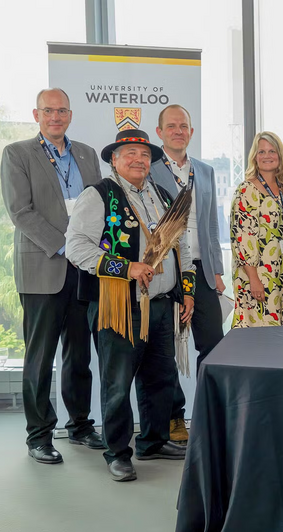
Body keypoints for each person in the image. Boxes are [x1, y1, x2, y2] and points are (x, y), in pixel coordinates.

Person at [66, 130, 194, 481]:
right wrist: (127, 268)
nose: (138, 159)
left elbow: (183, 248)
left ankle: (153, 441)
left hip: (161, 304)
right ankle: (117, 452)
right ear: (114, 160)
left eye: (142, 153)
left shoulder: (164, 196)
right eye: (129, 153)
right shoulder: (99, 195)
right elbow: (77, 247)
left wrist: (187, 292)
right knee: (117, 383)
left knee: (160, 378)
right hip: (118, 305)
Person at [0, 88, 104, 464]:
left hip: (83, 271)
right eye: (48, 111)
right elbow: (20, 212)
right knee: (40, 356)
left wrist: (93, 249)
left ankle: (80, 426)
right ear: (37, 114)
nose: (55, 116)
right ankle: (39, 435)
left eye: (61, 110)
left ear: (70, 115)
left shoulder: (88, 155)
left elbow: (100, 204)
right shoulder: (16, 154)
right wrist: (66, 246)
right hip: (45, 265)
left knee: (79, 354)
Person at [151, 104, 225, 444]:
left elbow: (211, 225)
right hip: (168, 270)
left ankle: (209, 414)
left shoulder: (206, 171)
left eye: (184, 126)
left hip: (203, 271)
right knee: (166, 349)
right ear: (160, 132)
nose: (179, 131)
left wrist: (218, 272)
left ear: (191, 132)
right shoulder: (150, 170)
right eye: (172, 126)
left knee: (211, 345)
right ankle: (174, 418)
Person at [231, 131, 283, 327]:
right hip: (259, 276)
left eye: (272, 151)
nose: (267, 156)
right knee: (261, 337)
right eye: (261, 151)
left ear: (280, 156)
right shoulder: (246, 190)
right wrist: (253, 279)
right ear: (255, 156)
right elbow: (242, 237)